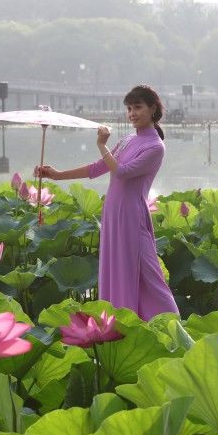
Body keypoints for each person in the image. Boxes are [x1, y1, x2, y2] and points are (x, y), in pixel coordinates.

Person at [35, 85, 179, 321]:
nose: (132, 113)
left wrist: (101, 145)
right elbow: (97, 168)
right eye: (129, 108)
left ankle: (172, 325)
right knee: (115, 270)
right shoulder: (127, 140)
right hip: (113, 213)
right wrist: (57, 175)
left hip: (132, 216)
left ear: (153, 108)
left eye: (138, 107)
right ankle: (120, 324)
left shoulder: (155, 147)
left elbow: (122, 172)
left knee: (149, 274)